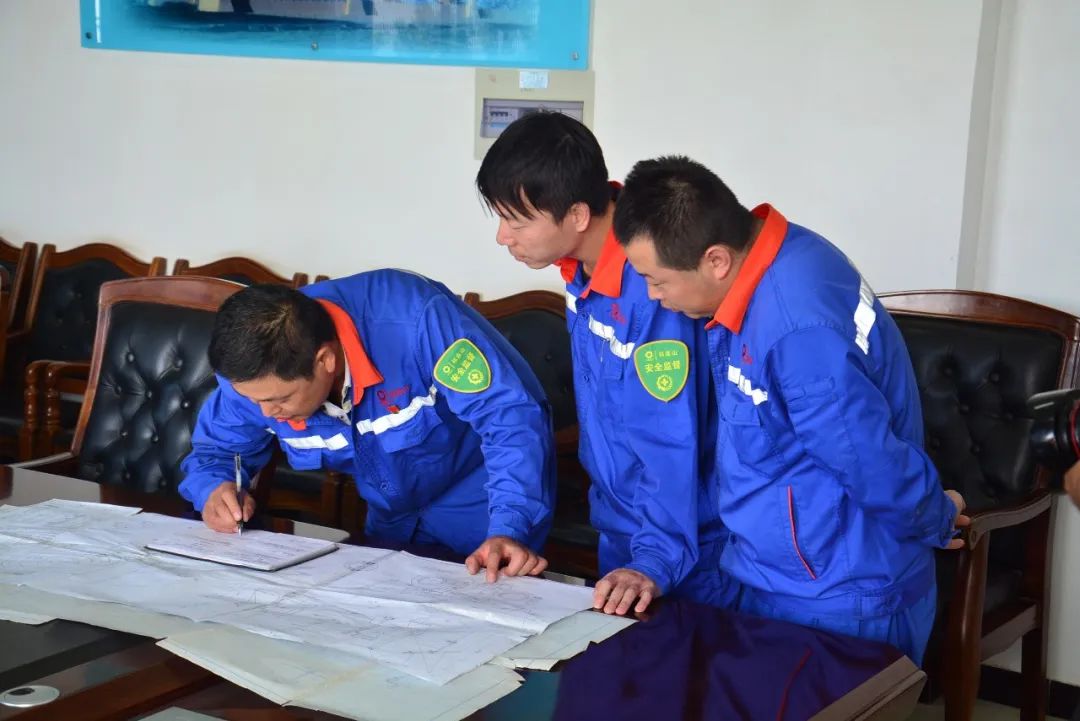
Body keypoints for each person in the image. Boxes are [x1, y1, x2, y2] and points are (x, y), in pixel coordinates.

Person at [612, 155, 969, 664]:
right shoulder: (776, 258)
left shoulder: (795, 326)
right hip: (785, 576)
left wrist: (934, 516)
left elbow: (866, 457)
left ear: (716, 260)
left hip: (839, 593)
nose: (653, 296)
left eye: (658, 280)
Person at [475, 113, 737, 615]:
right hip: (621, 529)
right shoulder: (582, 268)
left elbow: (670, 438)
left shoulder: (655, 288)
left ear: (577, 214)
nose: (504, 237)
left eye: (517, 221)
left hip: (681, 547)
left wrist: (654, 560)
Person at [179, 272, 556, 581]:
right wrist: (213, 489)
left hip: (483, 498)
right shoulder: (252, 373)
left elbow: (510, 420)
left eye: (280, 400)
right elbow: (217, 451)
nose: (267, 413)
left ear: (325, 360)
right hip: (390, 513)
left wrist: (510, 527)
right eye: (255, 401)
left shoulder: (415, 321)